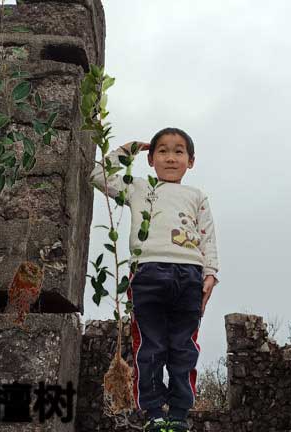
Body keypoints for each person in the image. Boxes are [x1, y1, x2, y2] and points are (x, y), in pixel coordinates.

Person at [89, 127, 220, 432]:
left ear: (191, 161)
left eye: (178, 151)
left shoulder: (197, 196)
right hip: (147, 273)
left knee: (183, 346)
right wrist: (127, 150)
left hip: (189, 276)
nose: (170, 158)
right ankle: (152, 412)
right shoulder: (138, 188)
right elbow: (96, 175)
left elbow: (208, 236)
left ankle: (178, 413)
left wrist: (210, 273)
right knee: (149, 346)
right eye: (162, 151)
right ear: (151, 159)